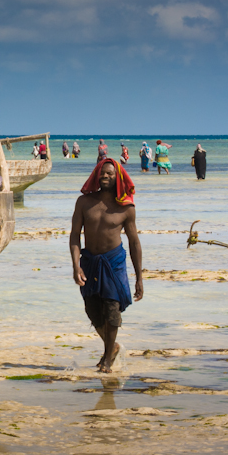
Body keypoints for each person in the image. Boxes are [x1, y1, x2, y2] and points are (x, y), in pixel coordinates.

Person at [70, 159, 143, 373]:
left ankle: (108, 360)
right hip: (90, 261)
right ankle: (113, 348)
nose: (105, 176)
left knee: (112, 311)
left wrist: (139, 277)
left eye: (110, 173)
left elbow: (134, 242)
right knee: (92, 310)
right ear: (96, 175)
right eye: (102, 173)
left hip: (114, 262)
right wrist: (76, 266)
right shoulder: (84, 202)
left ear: (117, 177)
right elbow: (75, 235)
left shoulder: (126, 207)